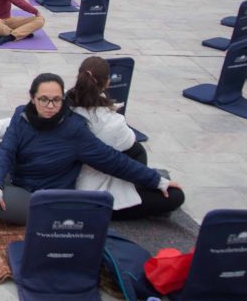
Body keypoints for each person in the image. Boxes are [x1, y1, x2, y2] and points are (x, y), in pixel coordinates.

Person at [0, 73, 184, 226]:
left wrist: (156, 180)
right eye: (44, 100)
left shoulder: (74, 129)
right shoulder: (21, 116)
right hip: (13, 177)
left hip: (39, 197)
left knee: (0, 205)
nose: (51, 106)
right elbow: (5, 152)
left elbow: (113, 160)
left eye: (56, 100)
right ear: (33, 98)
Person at [65, 57, 182, 219]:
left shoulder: (65, 105)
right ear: (107, 82)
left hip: (75, 178)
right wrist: (158, 182)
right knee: (176, 196)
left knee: (134, 154)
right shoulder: (108, 123)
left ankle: (139, 186)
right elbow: (124, 151)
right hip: (92, 197)